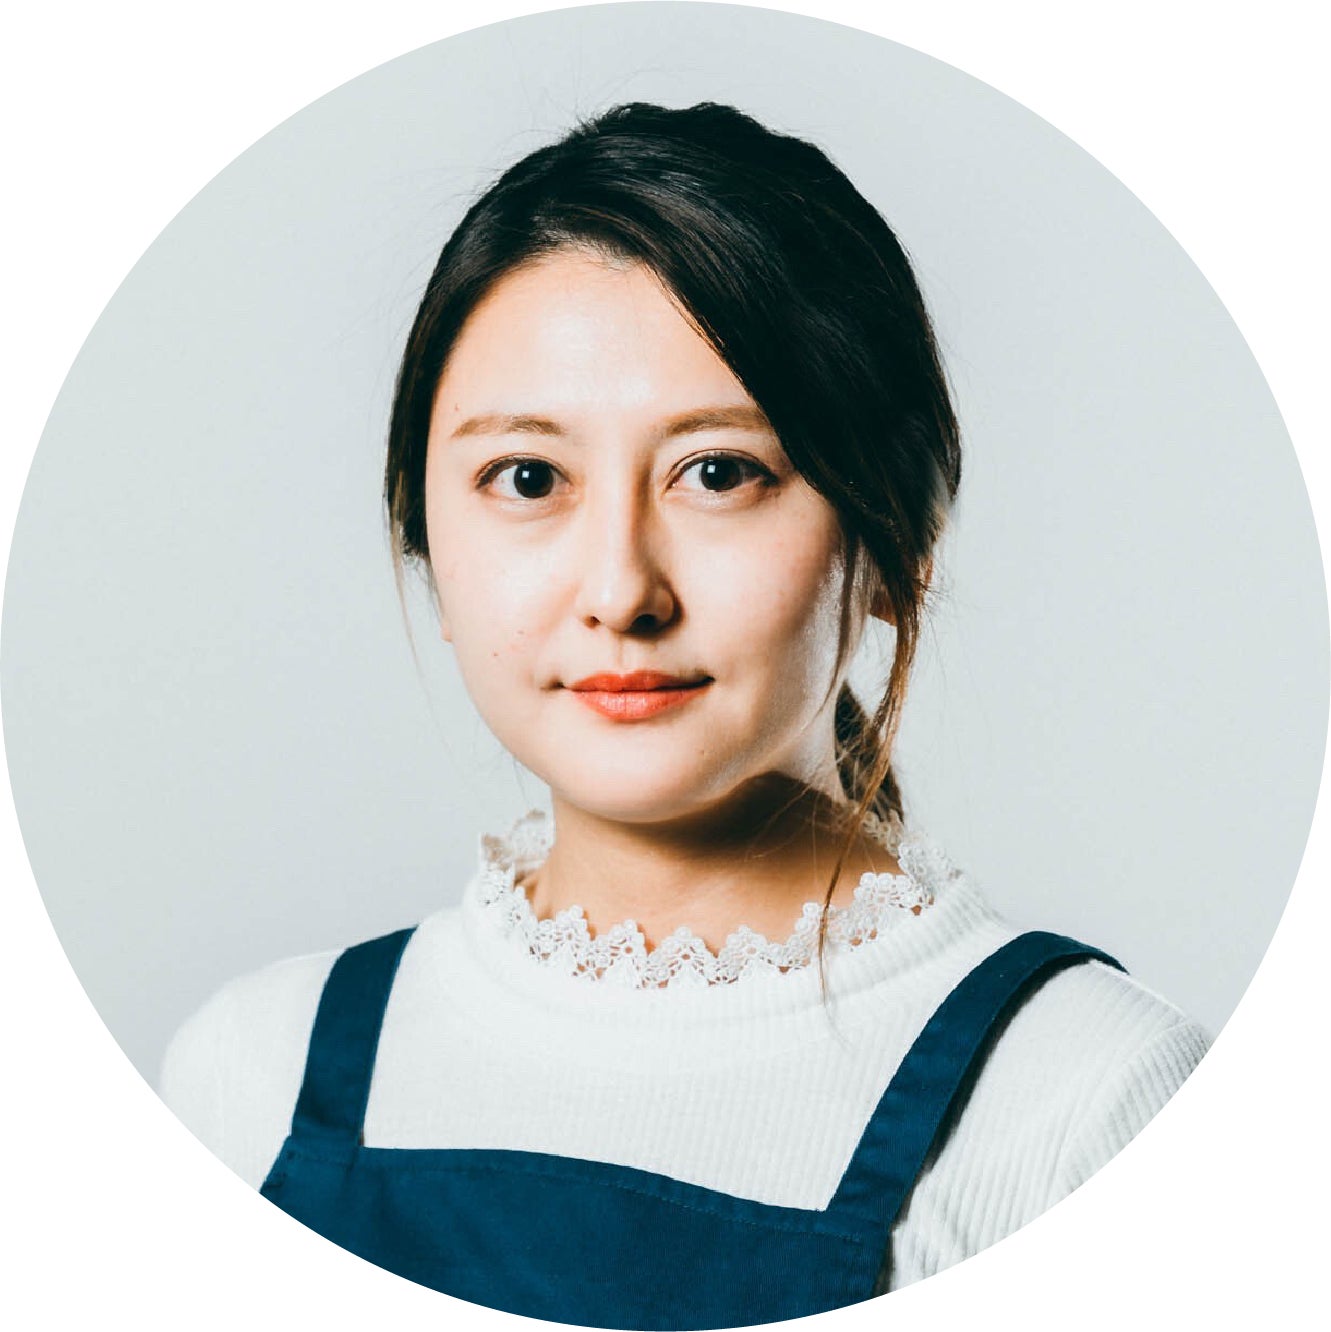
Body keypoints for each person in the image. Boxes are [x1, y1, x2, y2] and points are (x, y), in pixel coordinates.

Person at [159, 102, 1209, 1328]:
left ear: (893, 544)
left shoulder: (1087, 1107)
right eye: (527, 478)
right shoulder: (253, 1075)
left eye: (718, 473)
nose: (620, 591)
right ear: (428, 544)